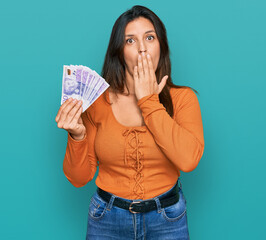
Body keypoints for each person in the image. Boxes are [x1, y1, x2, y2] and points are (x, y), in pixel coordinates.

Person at [55, 5, 204, 240]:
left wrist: (148, 101)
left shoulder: (184, 98)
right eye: (130, 41)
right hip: (107, 219)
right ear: (119, 52)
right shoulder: (97, 103)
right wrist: (77, 136)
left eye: (150, 37)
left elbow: (188, 161)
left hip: (168, 220)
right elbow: (78, 178)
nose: (142, 48)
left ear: (161, 46)